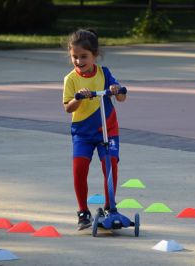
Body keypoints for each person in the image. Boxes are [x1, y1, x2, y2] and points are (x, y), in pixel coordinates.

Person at [63, 29, 127, 230]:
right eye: (75, 57)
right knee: (79, 169)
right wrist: (78, 98)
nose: (79, 61)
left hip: (107, 128)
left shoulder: (104, 73)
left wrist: (117, 91)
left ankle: (110, 206)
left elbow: (122, 97)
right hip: (82, 132)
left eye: (84, 57)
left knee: (110, 164)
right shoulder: (71, 79)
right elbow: (67, 107)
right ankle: (83, 211)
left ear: (95, 55)